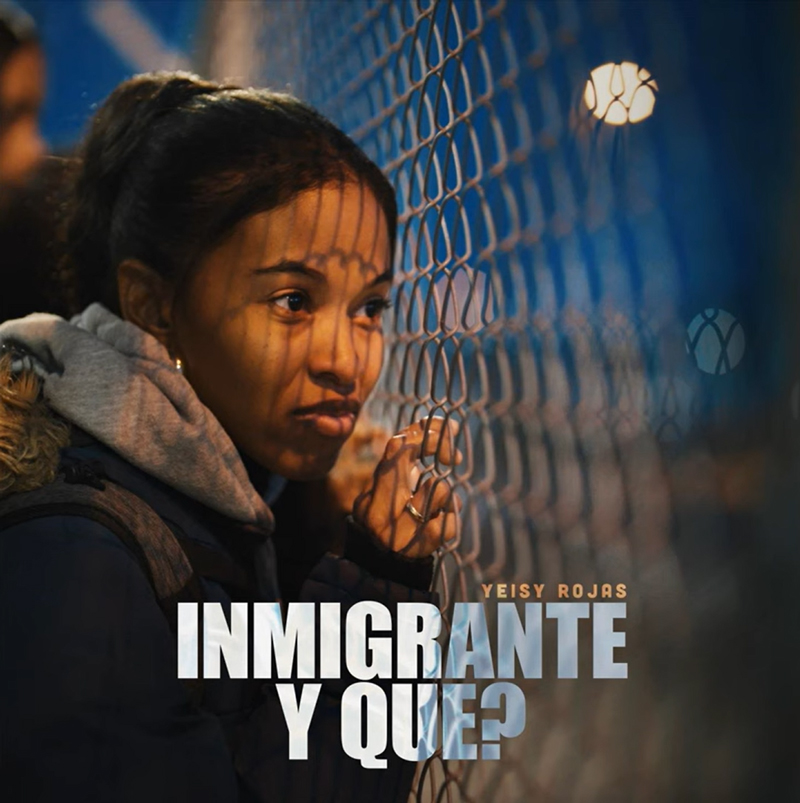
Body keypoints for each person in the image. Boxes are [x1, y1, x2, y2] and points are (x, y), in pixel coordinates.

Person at [0, 71, 459, 802]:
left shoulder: (204, 496)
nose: (347, 359)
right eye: (293, 300)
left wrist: (365, 562)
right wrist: (377, 598)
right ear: (153, 305)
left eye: (370, 306)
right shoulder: (79, 556)